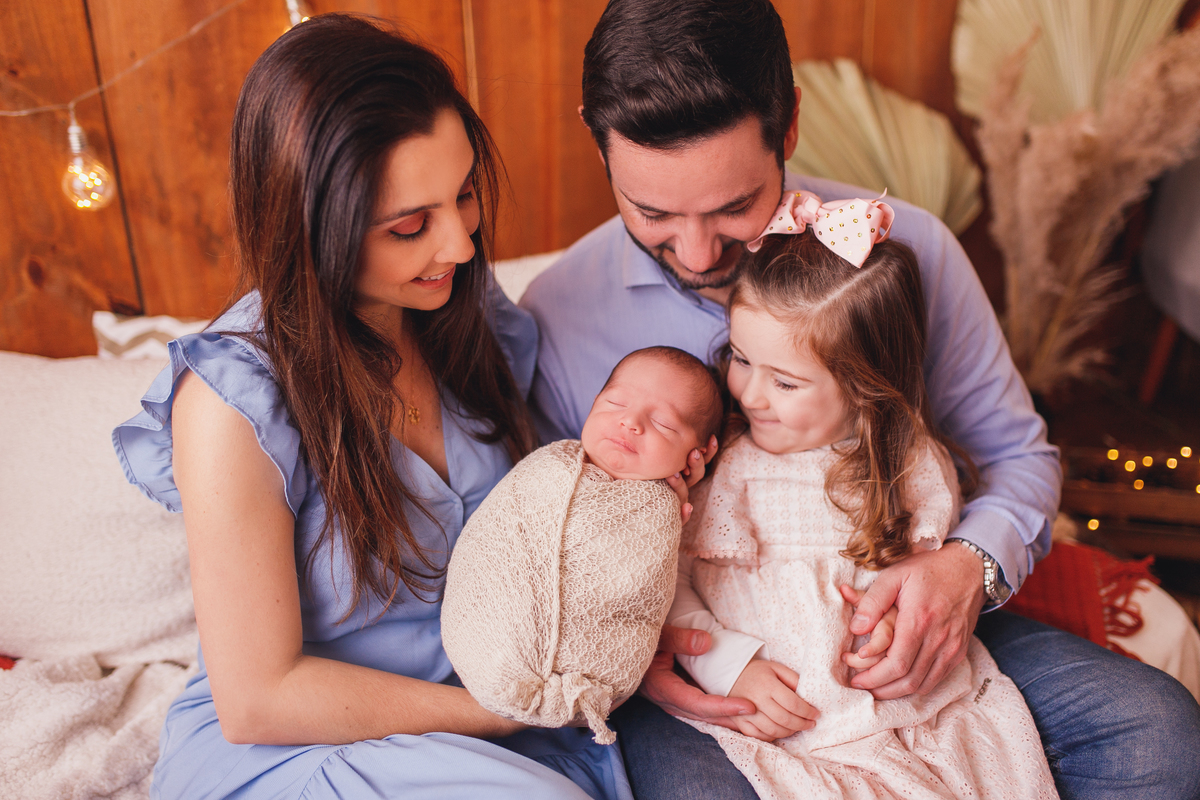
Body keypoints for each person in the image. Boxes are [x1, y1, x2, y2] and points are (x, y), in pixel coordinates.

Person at [517, 1, 1200, 798]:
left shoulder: (904, 254)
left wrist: (963, 573)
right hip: (704, 674)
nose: (700, 254)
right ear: (596, 140)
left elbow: (1018, 455)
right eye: (654, 213)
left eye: (734, 207)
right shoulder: (557, 314)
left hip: (903, 646)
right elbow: (557, 545)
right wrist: (645, 659)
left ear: (791, 123)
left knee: (1160, 737)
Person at [112, 15, 632, 800]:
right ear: (313, 227)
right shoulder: (231, 401)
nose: (458, 244)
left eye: (463, 196)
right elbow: (259, 699)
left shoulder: (467, 315)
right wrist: (495, 715)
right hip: (301, 744)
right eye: (410, 226)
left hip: (486, 718)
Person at [666, 190, 1056, 798]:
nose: (749, 394)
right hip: (775, 717)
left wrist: (899, 620)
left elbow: (928, 575)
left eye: (786, 381)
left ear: (862, 388)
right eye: (740, 358)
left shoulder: (909, 463)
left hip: (908, 707)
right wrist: (725, 663)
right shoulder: (727, 466)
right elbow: (676, 584)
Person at [443, 346, 723, 744]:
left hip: (586, 680)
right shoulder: (549, 464)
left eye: (663, 423)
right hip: (482, 641)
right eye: (615, 402)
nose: (630, 422)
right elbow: (497, 539)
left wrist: (663, 512)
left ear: (695, 455)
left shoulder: (662, 510)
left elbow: (631, 588)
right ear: (593, 405)